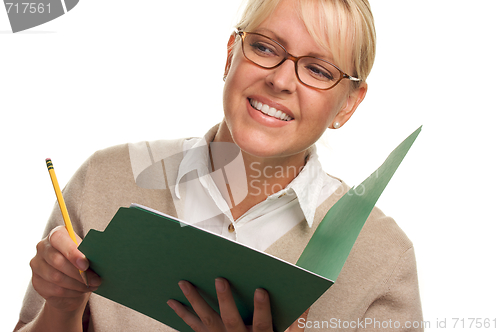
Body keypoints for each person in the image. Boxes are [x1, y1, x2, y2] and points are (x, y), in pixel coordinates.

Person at [14, 0, 423, 331]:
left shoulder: (383, 259)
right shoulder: (105, 181)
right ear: (231, 55)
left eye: (318, 70)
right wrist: (62, 310)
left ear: (349, 104)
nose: (281, 80)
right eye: (265, 47)